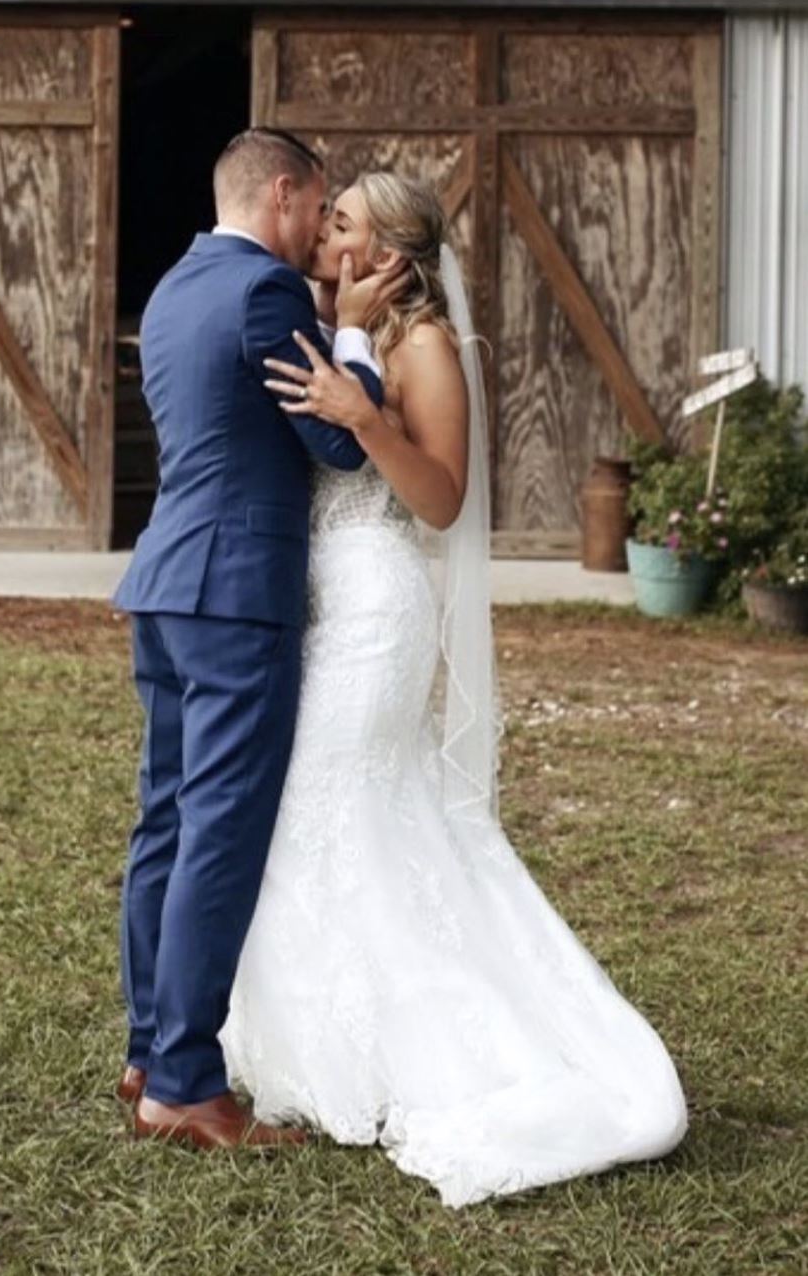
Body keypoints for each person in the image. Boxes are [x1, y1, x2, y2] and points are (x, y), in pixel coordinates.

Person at [219, 168, 689, 1207]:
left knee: (330, 801)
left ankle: (421, 1050)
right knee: (331, 811)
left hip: (380, 607)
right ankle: (315, 1036)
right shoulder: (330, 323)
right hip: (320, 601)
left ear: (389, 253)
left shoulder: (428, 349)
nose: (320, 232)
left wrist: (366, 418)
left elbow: (441, 500)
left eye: (340, 222)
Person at [112, 129, 404, 1150]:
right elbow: (336, 440)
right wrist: (357, 336)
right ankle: (188, 1083)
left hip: (165, 580)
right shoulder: (265, 295)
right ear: (281, 194)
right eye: (319, 210)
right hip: (237, 590)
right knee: (220, 831)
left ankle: (150, 1051)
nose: (321, 231)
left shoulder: (175, 288)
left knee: (165, 822)